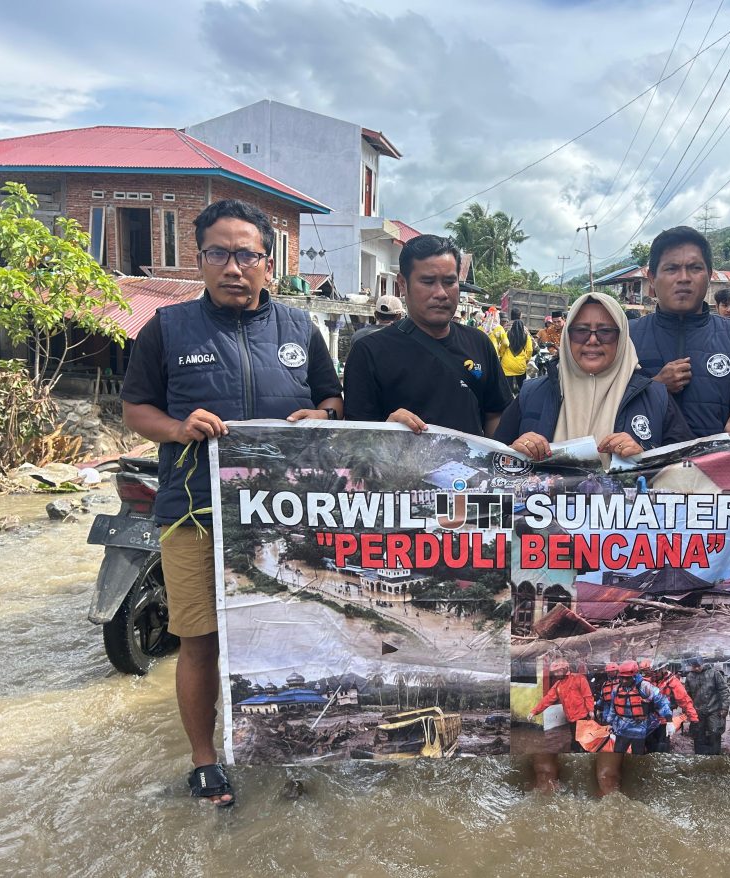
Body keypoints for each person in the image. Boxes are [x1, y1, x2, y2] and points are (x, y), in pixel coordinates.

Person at [119, 199, 343, 808]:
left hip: (285, 514)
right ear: (201, 261)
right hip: (193, 510)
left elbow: (333, 400)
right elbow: (135, 409)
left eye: (247, 254)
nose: (233, 266)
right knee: (199, 640)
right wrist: (175, 428)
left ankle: (284, 745)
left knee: (286, 634)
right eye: (219, 253)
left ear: (269, 263)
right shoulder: (166, 328)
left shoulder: (301, 330)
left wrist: (317, 415)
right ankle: (205, 759)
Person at [343, 234, 511, 437]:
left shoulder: (479, 343)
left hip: (469, 468)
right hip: (399, 469)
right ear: (403, 284)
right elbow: (356, 439)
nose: (441, 293)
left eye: (450, 282)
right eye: (428, 281)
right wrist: (386, 429)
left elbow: (495, 413)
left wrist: (504, 451)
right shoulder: (369, 352)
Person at [495, 292, 693, 463]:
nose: (592, 340)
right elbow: (490, 464)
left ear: (622, 337)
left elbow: (686, 470)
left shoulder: (656, 398)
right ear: (567, 336)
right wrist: (514, 453)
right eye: (581, 331)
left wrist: (644, 458)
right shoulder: (531, 394)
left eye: (605, 331)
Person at [630, 226, 730, 439]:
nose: (683, 278)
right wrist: (655, 387)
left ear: (709, 275)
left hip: (712, 468)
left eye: (695, 268)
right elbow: (610, 406)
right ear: (652, 278)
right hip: (646, 469)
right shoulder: (627, 337)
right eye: (671, 269)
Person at [527, 659, 595, 763]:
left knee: (585, 742)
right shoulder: (558, 685)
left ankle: (587, 760)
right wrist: (534, 711)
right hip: (571, 718)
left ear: (565, 669)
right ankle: (577, 760)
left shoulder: (579, 678)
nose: (556, 674)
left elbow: (588, 695)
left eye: (558, 671)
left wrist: (591, 710)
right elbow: (548, 699)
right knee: (575, 740)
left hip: (583, 716)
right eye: (554, 672)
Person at [603, 661, 672, 756]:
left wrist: (669, 720)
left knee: (637, 757)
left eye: (627, 678)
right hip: (622, 729)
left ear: (634, 676)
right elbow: (613, 708)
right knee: (617, 756)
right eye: (622, 678)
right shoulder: (617, 689)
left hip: (639, 729)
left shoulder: (645, 687)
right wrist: (609, 723)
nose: (624, 681)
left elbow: (662, 702)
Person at [644, 663, 698, 753]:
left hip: (664, 719)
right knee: (648, 745)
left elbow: (684, 700)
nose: (654, 674)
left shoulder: (672, 682)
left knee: (662, 746)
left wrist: (694, 718)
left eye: (656, 672)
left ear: (663, 669)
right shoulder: (647, 681)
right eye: (652, 672)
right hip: (647, 719)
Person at [682, 656, 729, 755]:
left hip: (714, 709)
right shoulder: (690, 676)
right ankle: (699, 755)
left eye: (698, 666)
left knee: (715, 732)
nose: (697, 668)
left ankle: (715, 756)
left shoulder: (714, 673)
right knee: (698, 734)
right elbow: (687, 695)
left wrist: (725, 707)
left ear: (703, 664)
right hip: (697, 711)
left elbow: (724, 690)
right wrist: (686, 709)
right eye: (694, 666)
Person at [496, 306, 535, 393]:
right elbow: (530, 350)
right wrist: (526, 360)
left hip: (506, 364)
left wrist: (501, 356)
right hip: (520, 365)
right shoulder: (525, 331)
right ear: (520, 316)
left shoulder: (504, 328)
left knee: (507, 390)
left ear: (511, 316)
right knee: (522, 388)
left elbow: (502, 345)